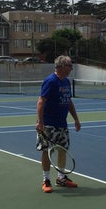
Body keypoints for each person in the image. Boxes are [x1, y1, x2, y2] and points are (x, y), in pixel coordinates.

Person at [36, 55, 81, 193]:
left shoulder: (66, 82)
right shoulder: (50, 81)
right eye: (69, 65)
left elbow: (69, 102)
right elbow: (41, 101)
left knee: (63, 150)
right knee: (46, 151)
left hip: (62, 124)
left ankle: (61, 178)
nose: (71, 68)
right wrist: (40, 122)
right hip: (49, 124)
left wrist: (76, 119)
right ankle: (46, 179)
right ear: (61, 66)